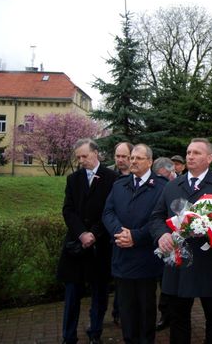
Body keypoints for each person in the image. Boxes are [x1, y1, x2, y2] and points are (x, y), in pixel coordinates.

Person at [150, 138, 212, 344]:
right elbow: (156, 217)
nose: (190, 156)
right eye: (188, 152)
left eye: (196, 152)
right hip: (179, 265)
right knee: (178, 320)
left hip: (210, 264)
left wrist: (207, 229)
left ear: (209, 158)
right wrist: (162, 234)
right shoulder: (171, 186)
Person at [102, 144, 168, 343]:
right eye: (132, 158)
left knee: (146, 310)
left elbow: (162, 219)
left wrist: (136, 236)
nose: (133, 161)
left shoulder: (161, 187)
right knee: (126, 310)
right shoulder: (119, 184)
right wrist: (119, 233)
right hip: (122, 257)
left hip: (146, 260)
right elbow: (108, 212)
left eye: (138, 158)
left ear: (149, 161)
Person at [56, 138, 118, 344]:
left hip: (99, 247)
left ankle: (95, 334)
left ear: (96, 153)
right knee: (72, 294)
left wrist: (94, 233)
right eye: (78, 157)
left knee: (99, 294)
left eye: (85, 156)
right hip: (76, 246)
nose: (81, 160)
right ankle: (68, 336)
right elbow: (68, 210)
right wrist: (82, 233)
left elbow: (111, 210)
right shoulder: (73, 179)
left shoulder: (112, 178)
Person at [107, 141, 133, 325]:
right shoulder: (109, 176)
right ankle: (118, 311)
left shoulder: (138, 177)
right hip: (113, 234)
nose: (120, 160)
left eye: (124, 156)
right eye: (118, 156)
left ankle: (125, 312)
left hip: (134, 236)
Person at [152, 156, 176, 331]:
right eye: (170, 172)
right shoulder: (158, 185)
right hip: (157, 239)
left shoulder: (175, 185)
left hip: (173, 242)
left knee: (168, 282)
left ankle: (168, 314)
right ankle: (164, 314)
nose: (173, 174)